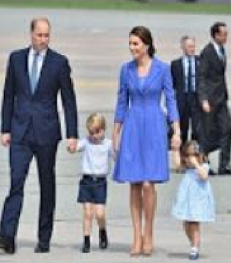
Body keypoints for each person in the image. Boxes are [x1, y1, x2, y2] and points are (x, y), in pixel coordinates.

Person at [0, 17, 78, 254]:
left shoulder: (59, 62)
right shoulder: (16, 59)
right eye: (39, 35)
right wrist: (5, 128)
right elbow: (9, 95)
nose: (43, 39)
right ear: (31, 34)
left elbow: (68, 100)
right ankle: (7, 237)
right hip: (20, 132)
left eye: (47, 35)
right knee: (16, 182)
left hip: (47, 133)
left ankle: (44, 238)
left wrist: (72, 134)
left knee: (46, 184)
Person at [113, 26, 181, 256]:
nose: (132, 48)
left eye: (136, 44)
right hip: (132, 126)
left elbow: (171, 100)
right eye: (130, 43)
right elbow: (122, 101)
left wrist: (177, 130)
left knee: (148, 183)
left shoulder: (163, 69)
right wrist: (116, 132)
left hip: (153, 126)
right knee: (134, 182)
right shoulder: (126, 70)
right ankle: (136, 236)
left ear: (147, 45)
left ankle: (149, 232)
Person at [197, 22, 231, 175]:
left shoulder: (222, 50)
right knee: (208, 132)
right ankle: (203, 161)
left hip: (222, 98)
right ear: (216, 35)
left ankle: (225, 164)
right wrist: (203, 99)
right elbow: (201, 77)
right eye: (224, 34)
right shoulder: (207, 52)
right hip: (209, 99)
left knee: (227, 128)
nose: (226, 37)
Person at [70, 113, 112, 253]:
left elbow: (118, 156)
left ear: (103, 129)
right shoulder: (86, 142)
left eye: (97, 132)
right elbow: (76, 147)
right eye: (92, 132)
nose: (94, 136)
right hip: (87, 181)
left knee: (99, 213)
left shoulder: (108, 144)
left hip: (100, 182)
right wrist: (71, 147)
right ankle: (86, 240)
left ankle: (102, 230)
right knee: (88, 212)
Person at [171, 141, 215, 260]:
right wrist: (175, 150)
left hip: (198, 200)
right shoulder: (187, 169)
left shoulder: (203, 167)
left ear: (201, 156)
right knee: (186, 224)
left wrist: (196, 164)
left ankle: (194, 248)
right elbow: (177, 164)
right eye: (189, 156)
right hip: (187, 200)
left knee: (194, 224)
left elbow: (204, 176)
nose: (192, 158)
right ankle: (193, 243)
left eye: (195, 155)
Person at [171, 35, 200, 144]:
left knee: (197, 130)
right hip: (182, 100)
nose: (192, 49)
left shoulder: (200, 61)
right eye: (189, 46)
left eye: (193, 46)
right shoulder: (175, 64)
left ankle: (196, 154)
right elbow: (172, 85)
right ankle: (182, 155)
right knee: (182, 129)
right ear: (182, 47)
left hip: (196, 99)